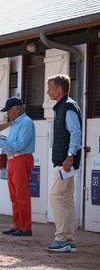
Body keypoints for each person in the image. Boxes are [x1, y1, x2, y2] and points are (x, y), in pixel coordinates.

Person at [46, 74, 82, 253]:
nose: (47, 91)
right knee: (67, 199)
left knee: (55, 197)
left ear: (59, 89)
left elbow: (76, 133)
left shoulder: (67, 107)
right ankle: (69, 239)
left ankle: (61, 239)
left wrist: (69, 156)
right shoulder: (65, 106)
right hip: (65, 162)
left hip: (64, 162)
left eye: (50, 88)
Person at [0, 97, 35, 236]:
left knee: (21, 195)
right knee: (14, 196)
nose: (7, 113)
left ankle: (25, 227)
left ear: (17, 109)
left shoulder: (26, 123)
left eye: (9, 110)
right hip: (14, 160)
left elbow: (19, 146)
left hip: (21, 159)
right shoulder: (16, 123)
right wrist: (1, 140)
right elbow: (13, 143)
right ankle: (18, 225)